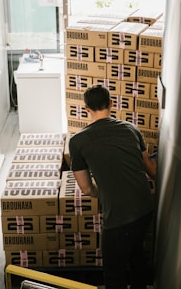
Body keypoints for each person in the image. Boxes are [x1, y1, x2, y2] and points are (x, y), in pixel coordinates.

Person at [69, 85, 156, 289]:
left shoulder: (77, 141)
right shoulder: (131, 128)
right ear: (111, 104)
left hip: (118, 217)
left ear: (86, 109)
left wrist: (107, 193)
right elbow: (151, 170)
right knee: (136, 258)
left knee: (114, 274)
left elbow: (86, 188)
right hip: (145, 209)